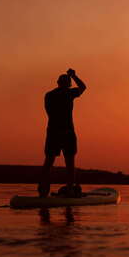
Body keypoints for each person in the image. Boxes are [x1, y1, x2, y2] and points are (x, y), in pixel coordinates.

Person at [39, 68, 86, 197]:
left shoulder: (49, 95)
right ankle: (70, 190)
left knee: (49, 161)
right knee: (69, 162)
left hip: (53, 131)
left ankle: (43, 191)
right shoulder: (69, 93)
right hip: (66, 132)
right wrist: (74, 76)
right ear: (68, 84)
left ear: (58, 83)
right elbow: (83, 87)